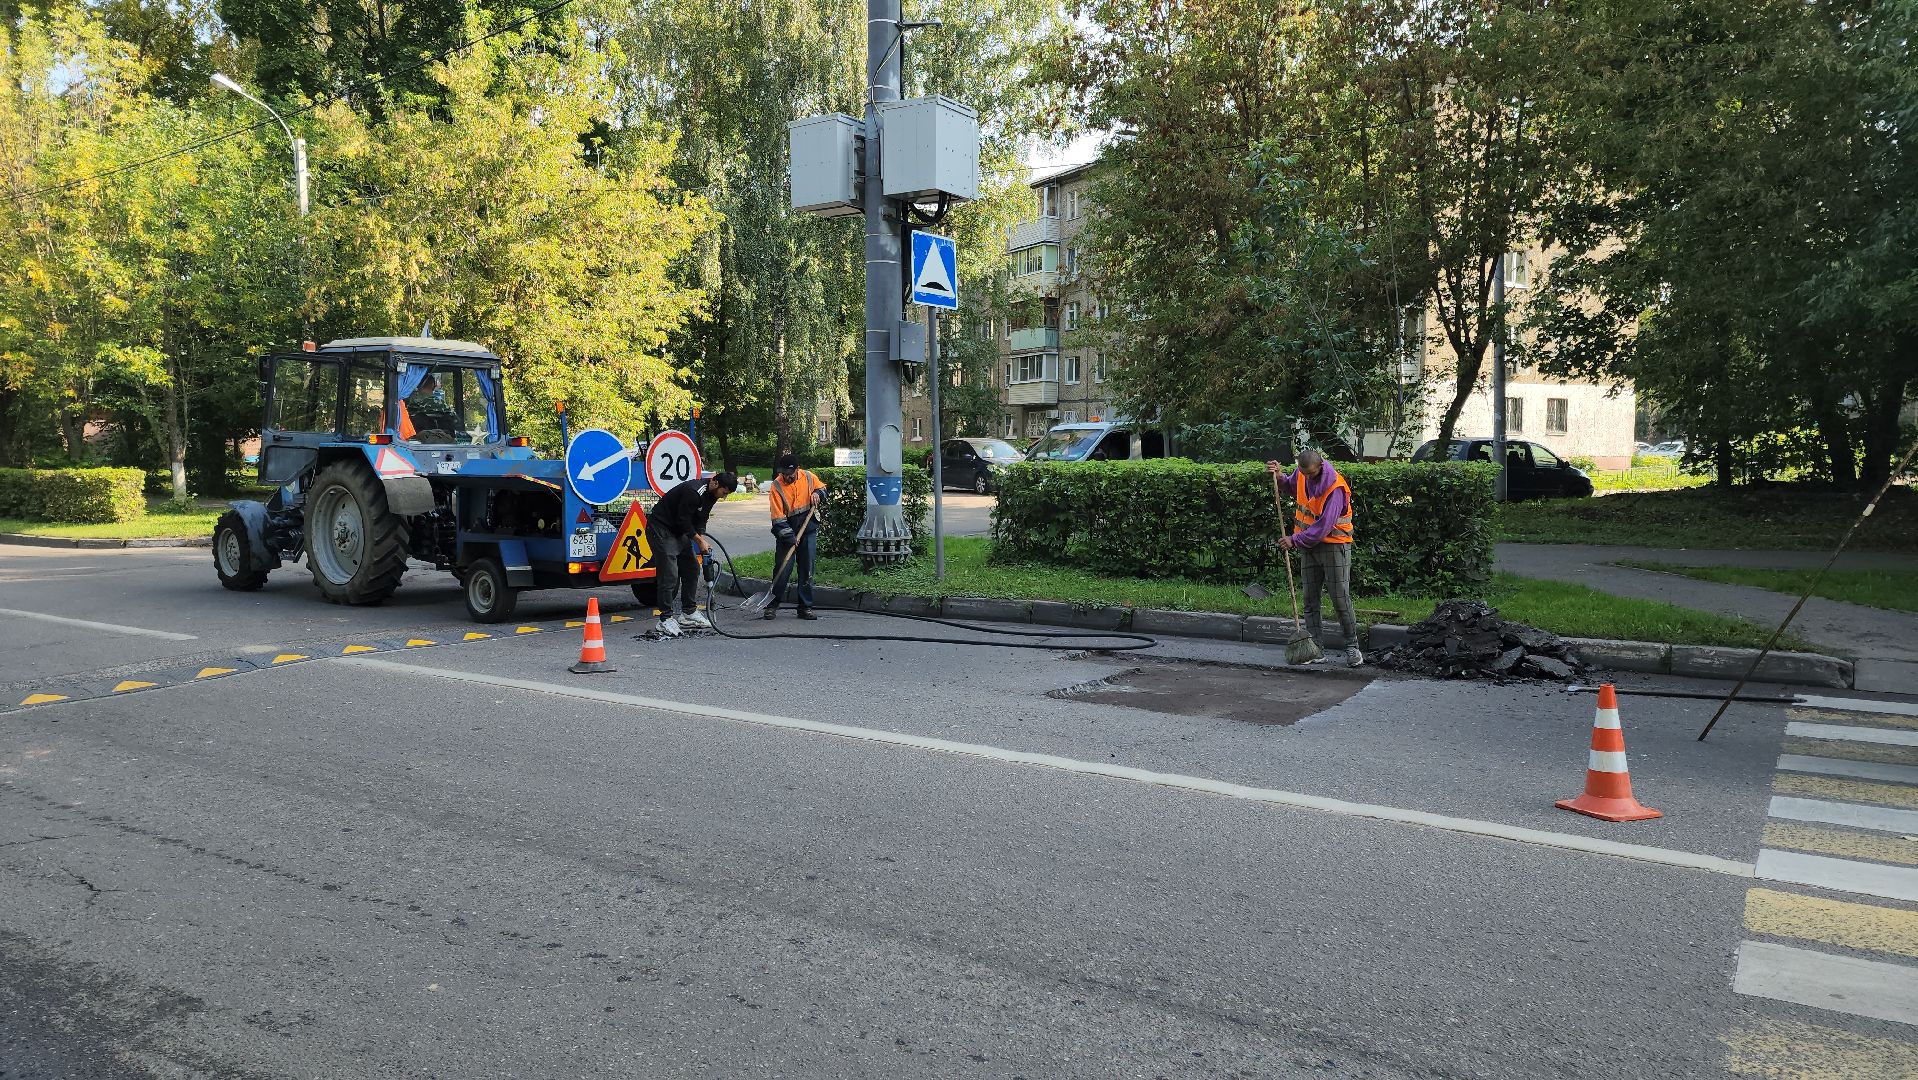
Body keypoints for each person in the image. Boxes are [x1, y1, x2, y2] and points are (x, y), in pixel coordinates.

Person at [1266, 449, 1362, 667]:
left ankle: (1352, 647)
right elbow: (1290, 486)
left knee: (1340, 599)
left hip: (1333, 547)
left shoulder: (1335, 487)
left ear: (1320, 466)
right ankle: (1315, 647)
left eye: (1310, 473)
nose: (1306, 477)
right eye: (1303, 472)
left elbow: (1323, 527)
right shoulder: (1301, 473)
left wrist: (1294, 540)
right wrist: (1280, 477)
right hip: (1308, 547)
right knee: (1310, 600)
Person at [645, 470, 737, 635]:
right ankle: (665, 619)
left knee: (692, 568)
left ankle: (688, 613)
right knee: (670, 574)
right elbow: (683, 521)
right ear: (715, 483)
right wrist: (699, 541)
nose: (724, 497)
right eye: (724, 492)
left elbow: (702, 518)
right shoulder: (694, 492)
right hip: (660, 528)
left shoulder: (712, 495)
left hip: (678, 531)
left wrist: (701, 537)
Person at [763, 452, 827, 620]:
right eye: (783, 473)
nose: (786, 477)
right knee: (783, 569)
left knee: (807, 569)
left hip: (808, 527)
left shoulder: (808, 476)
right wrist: (791, 538)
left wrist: (818, 494)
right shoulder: (776, 486)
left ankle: (805, 607)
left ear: (797, 470)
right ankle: (772, 605)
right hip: (787, 530)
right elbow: (777, 518)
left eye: (789, 474)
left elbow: (822, 489)